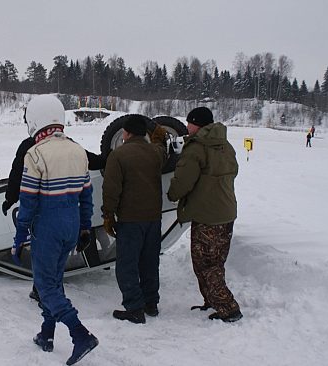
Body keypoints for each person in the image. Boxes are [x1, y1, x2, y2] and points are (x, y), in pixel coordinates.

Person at [12, 95, 98, 365]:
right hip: (71, 224)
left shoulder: (35, 154)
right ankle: (46, 334)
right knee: (54, 281)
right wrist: (85, 227)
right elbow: (87, 196)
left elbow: (27, 201)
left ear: (36, 120)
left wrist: (19, 236)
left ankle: (80, 334)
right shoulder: (78, 151)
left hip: (47, 226)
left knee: (45, 285)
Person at [2, 114, 105, 304]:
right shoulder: (71, 145)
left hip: (45, 217)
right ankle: (45, 290)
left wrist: (10, 198)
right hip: (70, 217)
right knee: (56, 258)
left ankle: (49, 299)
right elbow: (89, 162)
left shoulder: (31, 147)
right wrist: (107, 159)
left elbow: (17, 174)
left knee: (43, 255)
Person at [167, 106, 242, 323]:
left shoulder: (197, 148)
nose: (186, 126)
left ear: (196, 124)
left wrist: (172, 194)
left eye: (189, 123)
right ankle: (212, 300)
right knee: (216, 263)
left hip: (208, 216)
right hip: (227, 212)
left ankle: (229, 309)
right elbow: (232, 171)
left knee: (205, 264)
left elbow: (183, 181)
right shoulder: (225, 145)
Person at [101, 114, 168, 324]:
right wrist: (159, 136)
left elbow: (111, 189)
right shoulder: (155, 153)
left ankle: (134, 308)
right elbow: (162, 148)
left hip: (130, 219)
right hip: (153, 218)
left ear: (126, 133)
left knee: (127, 265)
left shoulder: (118, 155)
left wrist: (108, 215)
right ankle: (151, 304)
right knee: (149, 262)